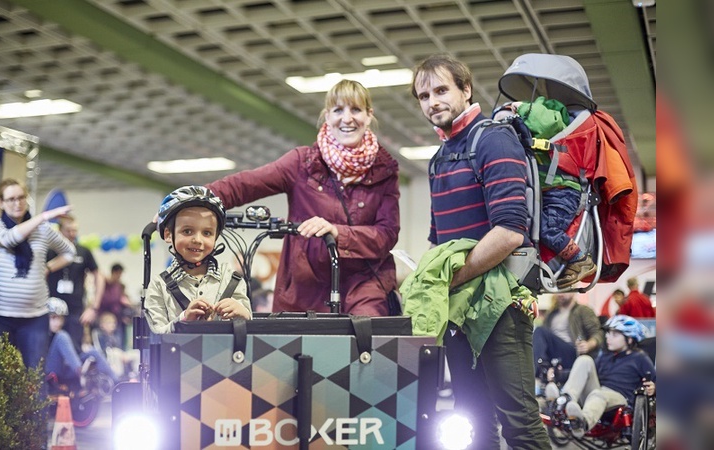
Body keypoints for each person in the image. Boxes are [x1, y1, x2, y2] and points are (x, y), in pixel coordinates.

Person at [411, 54, 550, 449]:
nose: (432, 101)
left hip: (501, 306)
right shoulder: (439, 160)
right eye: (424, 95)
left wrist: (448, 280)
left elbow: (509, 231)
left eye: (441, 90)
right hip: (460, 309)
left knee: (519, 421)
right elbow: (440, 243)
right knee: (472, 421)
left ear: (465, 89)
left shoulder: (492, 139)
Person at [206, 79, 400, 316]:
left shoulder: (385, 170)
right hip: (303, 291)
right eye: (338, 110)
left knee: (364, 346)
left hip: (363, 289)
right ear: (327, 116)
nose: (347, 118)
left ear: (369, 115)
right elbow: (244, 185)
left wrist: (338, 232)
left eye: (356, 109)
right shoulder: (302, 163)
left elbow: (387, 234)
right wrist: (188, 201)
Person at [501, 97, 597, 288]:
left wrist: (523, 109)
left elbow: (550, 123)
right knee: (532, 228)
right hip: (545, 192)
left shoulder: (551, 109)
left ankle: (580, 259)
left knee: (545, 228)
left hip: (563, 190)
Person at [0, 179, 75, 369]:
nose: (17, 203)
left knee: (34, 376)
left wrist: (47, 268)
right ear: (1, 202)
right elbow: (9, 239)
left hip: (35, 317)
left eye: (22, 197)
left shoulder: (43, 230)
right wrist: (43, 217)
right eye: (11, 199)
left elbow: (69, 252)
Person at [144, 186, 251, 334]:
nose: (197, 240)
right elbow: (156, 335)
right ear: (168, 235)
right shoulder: (159, 285)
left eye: (207, 233)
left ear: (216, 237)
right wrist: (184, 319)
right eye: (187, 231)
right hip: (176, 356)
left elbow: (248, 330)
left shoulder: (232, 280)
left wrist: (244, 314)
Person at [544, 315, 656, 437]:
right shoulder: (605, 356)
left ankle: (582, 423)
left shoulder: (640, 358)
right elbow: (583, 374)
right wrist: (558, 375)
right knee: (585, 360)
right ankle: (563, 401)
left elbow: (657, 381)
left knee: (598, 394)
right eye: (608, 333)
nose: (607, 337)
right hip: (597, 392)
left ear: (629, 339)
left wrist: (654, 388)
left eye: (614, 334)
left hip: (620, 398)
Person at [46, 216, 105, 351]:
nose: (72, 234)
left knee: (74, 349)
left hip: (75, 311)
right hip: (52, 311)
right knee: (49, 348)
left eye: (75, 230)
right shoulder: (49, 251)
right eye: (68, 231)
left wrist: (93, 308)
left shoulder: (83, 251)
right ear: (60, 231)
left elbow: (98, 276)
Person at [533, 293, 604, 388]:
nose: (560, 294)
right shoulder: (551, 314)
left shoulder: (583, 310)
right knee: (538, 334)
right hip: (554, 354)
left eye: (564, 291)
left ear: (573, 291)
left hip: (573, 352)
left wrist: (588, 344)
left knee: (539, 331)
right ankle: (546, 371)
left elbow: (598, 333)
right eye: (558, 291)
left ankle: (543, 371)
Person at [45, 297, 116, 389]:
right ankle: (83, 374)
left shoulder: (63, 331)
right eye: (53, 318)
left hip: (65, 369)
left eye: (60, 318)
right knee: (62, 336)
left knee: (93, 352)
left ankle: (117, 382)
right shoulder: (41, 334)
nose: (58, 322)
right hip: (49, 372)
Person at [97, 263, 132, 344]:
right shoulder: (104, 284)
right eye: (119, 274)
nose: (120, 276)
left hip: (117, 319)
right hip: (105, 318)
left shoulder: (119, 286)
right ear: (114, 272)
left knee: (119, 342)